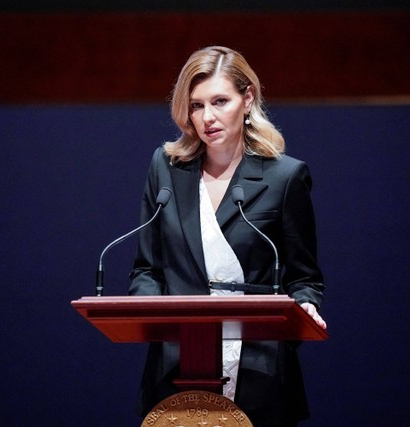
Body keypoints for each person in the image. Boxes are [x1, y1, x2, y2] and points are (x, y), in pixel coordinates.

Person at [128, 46, 326, 427]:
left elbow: (304, 278)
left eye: (220, 101)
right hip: (177, 367)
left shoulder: (284, 178)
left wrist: (304, 306)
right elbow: (146, 269)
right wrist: (151, 314)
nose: (208, 117)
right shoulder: (166, 168)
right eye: (197, 105)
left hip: (258, 369)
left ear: (247, 97)